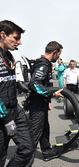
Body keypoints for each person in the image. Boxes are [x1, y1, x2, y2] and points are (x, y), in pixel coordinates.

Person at [0, 20, 35, 167]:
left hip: (14, 109)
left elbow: (11, 83)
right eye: (16, 38)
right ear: (2, 35)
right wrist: (7, 118)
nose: (19, 42)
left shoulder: (9, 56)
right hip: (2, 115)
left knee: (27, 149)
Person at [28, 41, 63, 161]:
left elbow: (43, 84)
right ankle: (25, 159)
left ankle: (47, 151)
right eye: (58, 54)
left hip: (41, 102)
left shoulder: (45, 64)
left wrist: (47, 100)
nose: (59, 57)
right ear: (54, 52)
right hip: (37, 105)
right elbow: (34, 84)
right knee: (35, 131)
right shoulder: (43, 65)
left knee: (44, 128)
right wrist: (52, 93)